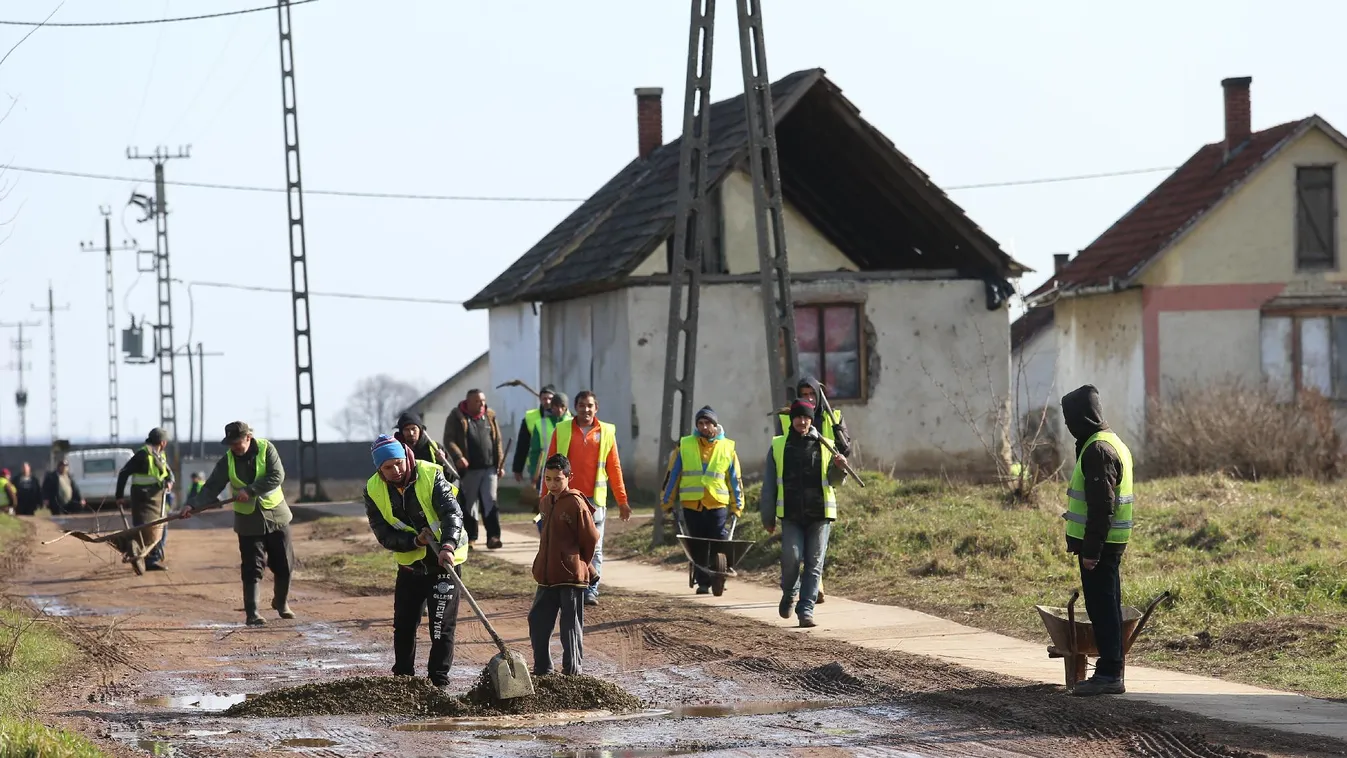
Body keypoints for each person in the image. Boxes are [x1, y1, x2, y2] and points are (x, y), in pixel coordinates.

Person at [363, 434, 466, 689]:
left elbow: (451, 512)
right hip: (411, 565)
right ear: (379, 469)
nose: (395, 470)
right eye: (388, 467)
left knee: (441, 627)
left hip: (444, 563)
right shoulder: (373, 489)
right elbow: (383, 533)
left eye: (398, 463)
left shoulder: (430, 474)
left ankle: (438, 683)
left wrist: (448, 545)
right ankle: (404, 682)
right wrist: (415, 543)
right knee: (404, 625)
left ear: (405, 457)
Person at [1061, 384, 1134, 697]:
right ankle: (1111, 669)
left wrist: (1091, 551)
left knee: (1102, 607)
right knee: (1108, 605)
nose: (1068, 427)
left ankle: (1108, 674)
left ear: (1082, 417)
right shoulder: (1109, 441)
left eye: (1070, 420)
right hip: (1109, 542)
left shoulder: (1097, 450)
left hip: (1101, 546)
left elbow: (1102, 507)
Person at [183, 422, 295, 626]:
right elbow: (211, 487)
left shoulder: (267, 449)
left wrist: (250, 490)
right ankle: (252, 613)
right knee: (252, 567)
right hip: (248, 521)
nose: (234, 448)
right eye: (230, 444)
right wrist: (192, 505)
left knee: (284, 564)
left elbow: (277, 476)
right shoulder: (227, 461)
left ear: (248, 438)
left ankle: (281, 602)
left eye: (237, 443)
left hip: (276, 515)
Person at [761, 399, 847, 628]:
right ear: (792, 419)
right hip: (791, 514)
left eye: (807, 417)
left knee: (814, 562)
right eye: (798, 417)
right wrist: (767, 516)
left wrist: (839, 467)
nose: (802, 421)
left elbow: (835, 481)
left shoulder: (827, 444)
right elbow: (769, 484)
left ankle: (806, 609)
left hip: (820, 514)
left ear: (812, 419)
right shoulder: (779, 446)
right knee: (791, 557)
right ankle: (789, 592)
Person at [544, 390, 630, 606]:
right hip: (568, 499)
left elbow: (614, 467)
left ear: (596, 408)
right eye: (582, 405)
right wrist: (545, 498)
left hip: (595, 501)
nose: (586, 409)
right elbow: (551, 464)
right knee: (568, 544)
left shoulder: (607, 432)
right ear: (576, 407)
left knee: (595, 545)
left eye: (590, 405)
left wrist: (622, 500)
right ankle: (571, 585)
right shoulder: (562, 430)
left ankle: (591, 590)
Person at [774, 375, 852, 605]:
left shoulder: (833, 417)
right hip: (794, 491)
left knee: (816, 549)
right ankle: (804, 587)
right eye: (804, 394)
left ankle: (813, 586)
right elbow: (781, 448)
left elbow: (845, 449)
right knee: (796, 551)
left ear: (819, 396)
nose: (809, 398)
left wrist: (839, 434)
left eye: (812, 394)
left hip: (823, 484)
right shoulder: (789, 417)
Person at [660, 406, 744, 594]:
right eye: (701, 423)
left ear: (715, 425)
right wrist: (667, 501)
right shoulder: (686, 445)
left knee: (719, 539)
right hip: (692, 504)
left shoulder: (727, 447)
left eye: (708, 423)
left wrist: (737, 505)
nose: (704, 427)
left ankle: (719, 573)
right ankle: (703, 582)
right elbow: (672, 475)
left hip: (717, 503)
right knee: (698, 544)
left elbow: (735, 479)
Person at [529, 453, 600, 676]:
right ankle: (543, 669)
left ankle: (572, 672)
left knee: (570, 627)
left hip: (570, 577)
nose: (552, 484)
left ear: (569, 477)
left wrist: (580, 563)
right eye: (548, 479)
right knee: (537, 620)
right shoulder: (544, 502)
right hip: (547, 576)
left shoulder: (576, 503)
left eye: (558, 479)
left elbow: (590, 538)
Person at [442, 389, 505, 550]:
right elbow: (448, 439)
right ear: (468, 402)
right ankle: (470, 538)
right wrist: (458, 457)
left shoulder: (490, 416)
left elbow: (497, 441)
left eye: (483, 400)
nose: (481, 404)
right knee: (470, 505)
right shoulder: (456, 417)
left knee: (490, 500)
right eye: (477, 401)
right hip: (469, 470)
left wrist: (500, 465)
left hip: (489, 468)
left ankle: (493, 537)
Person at [115, 428, 175, 572]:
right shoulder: (143, 454)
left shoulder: (159, 455)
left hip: (157, 498)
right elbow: (124, 473)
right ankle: (149, 559)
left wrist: (170, 480)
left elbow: (169, 473)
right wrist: (119, 496)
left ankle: (152, 556)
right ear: (163, 442)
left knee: (161, 526)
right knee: (145, 528)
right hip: (142, 499)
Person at [394, 411, 459, 483]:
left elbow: (452, 478)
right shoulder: (396, 451)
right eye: (406, 429)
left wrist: (443, 463)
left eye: (413, 429)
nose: (411, 433)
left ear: (420, 430)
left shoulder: (435, 448)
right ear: (401, 432)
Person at [511, 384, 556, 483]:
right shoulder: (530, 417)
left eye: (550, 398)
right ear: (540, 399)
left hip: (560, 464)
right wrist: (518, 468)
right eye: (544, 398)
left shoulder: (565, 416)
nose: (547, 402)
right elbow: (522, 444)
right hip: (537, 465)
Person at [527, 392, 571, 491]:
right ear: (551, 406)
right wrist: (534, 471)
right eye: (556, 406)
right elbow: (534, 450)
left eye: (562, 406)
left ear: (566, 407)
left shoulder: (572, 423)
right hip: (545, 469)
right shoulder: (540, 424)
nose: (559, 409)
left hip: (566, 469)